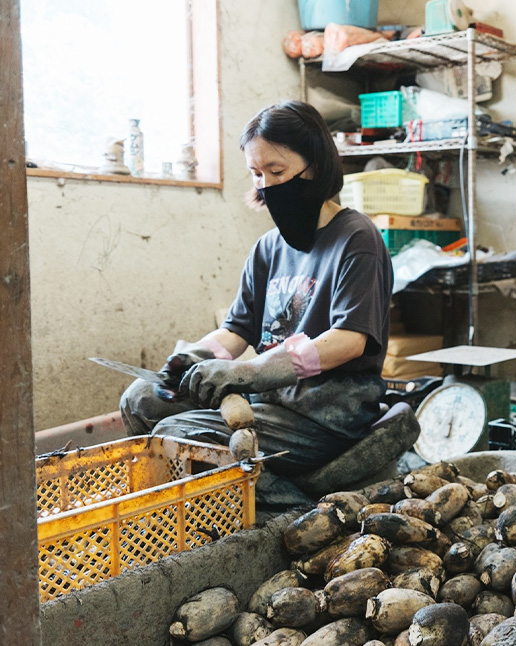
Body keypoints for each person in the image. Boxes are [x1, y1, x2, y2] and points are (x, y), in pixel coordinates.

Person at [121, 100, 392, 486]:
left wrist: (251, 371)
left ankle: (267, 516)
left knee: (179, 434)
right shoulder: (269, 248)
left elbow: (350, 340)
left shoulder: (357, 239)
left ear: (313, 166)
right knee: (141, 399)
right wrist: (194, 356)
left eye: (276, 171)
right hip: (272, 400)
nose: (265, 185)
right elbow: (237, 329)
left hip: (325, 416)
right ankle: (156, 517)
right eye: (256, 173)